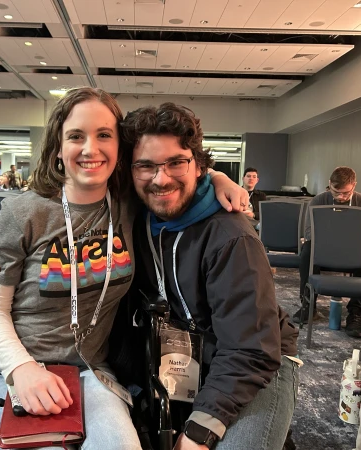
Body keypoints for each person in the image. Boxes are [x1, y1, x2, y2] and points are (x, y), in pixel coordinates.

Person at [0, 88, 247, 450]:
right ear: (57, 146)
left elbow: (178, 169)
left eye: (104, 135)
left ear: (121, 147)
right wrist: (20, 369)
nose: (91, 148)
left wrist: (220, 179)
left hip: (90, 371)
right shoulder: (24, 214)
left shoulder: (129, 204)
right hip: (8, 369)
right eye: (76, 136)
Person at [123, 103, 299, 450]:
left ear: (199, 165)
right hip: (186, 360)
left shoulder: (232, 238)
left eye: (176, 162)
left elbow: (251, 349)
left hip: (257, 362)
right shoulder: (134, 219)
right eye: (146, 165)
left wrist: (198, 432)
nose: (161, 178)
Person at [293, 166, 361, 338]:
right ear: (329, 184)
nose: (340, 197)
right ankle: (308, 304)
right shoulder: (318, 201)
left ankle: (356, 313)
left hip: (355, 252)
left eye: (345, 193)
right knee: (307, 250)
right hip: (324, 249)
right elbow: (309, 233)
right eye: (335, 192)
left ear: (354, 185)